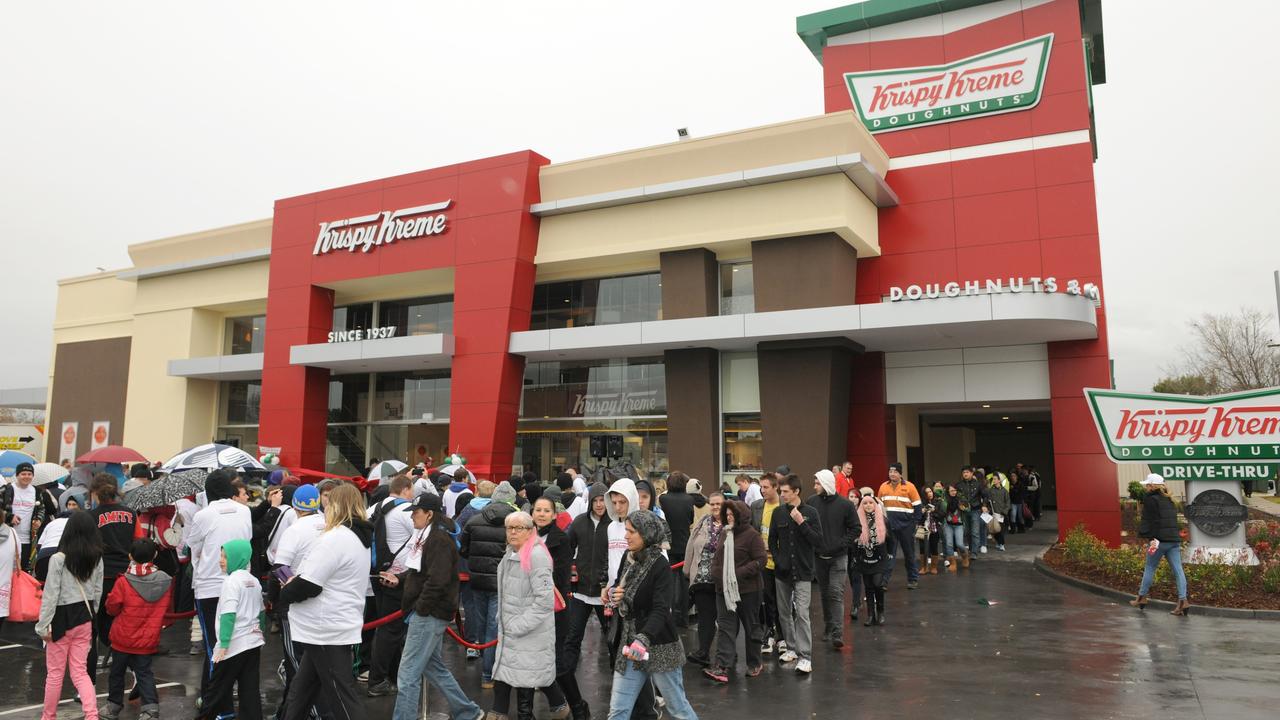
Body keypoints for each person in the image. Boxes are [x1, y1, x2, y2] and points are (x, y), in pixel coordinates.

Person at [279, 483, 373, 720]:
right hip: (333, 623)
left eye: (328, 503)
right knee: (301, 692)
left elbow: (309, 584)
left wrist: (287, 589)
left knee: (342, 697)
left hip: (324, 627)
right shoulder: (357, 537)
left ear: (334, 505)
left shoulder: (336, 538)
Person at [392, 493, 483, 720]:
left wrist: (420, 608)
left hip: (428, 613)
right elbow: (424, 571)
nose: (412, 516)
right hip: (430, 611)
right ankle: (468, 711)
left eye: (416, 512)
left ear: (429, 514)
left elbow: (437, 580)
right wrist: (400, 579)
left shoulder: (438, 539)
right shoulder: (432, 535)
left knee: (408, 673)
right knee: (434, 668)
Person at [605, 510, 699, 720]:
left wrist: (643, 638)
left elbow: (661, 609)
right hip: (629, 647)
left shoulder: (660, 565)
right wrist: (614, 593)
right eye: (626, 531)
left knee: (678, 709)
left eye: (632, 532)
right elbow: (620, 590)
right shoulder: (628, 558)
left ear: (646, 534)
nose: (626, 536)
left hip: (659, 646)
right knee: (618, 711)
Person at [489, 510, 568, 720]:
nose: (513, 532)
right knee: (507, 675)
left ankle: (561, 711)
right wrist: (503, 620)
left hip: (529, 631)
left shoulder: (536, 555)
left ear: (530, 531)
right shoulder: (510, 553)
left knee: (535, 677)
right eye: (509, 528)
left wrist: (518, 625)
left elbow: (544, 601)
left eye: (519, 528)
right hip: (511, 631)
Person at [187, 469, 252, 700]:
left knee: (214, 646)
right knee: (237, 642)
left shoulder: (204, 515)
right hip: (242, 584)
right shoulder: (245, 512)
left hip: (210, 586)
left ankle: (218, 705)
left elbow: (191, 543)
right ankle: (211, 694)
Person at [36, 511, 104, 720]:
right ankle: (91, 715)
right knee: (80, 671)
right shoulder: (97, 557)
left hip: (60, 619)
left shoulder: (58, 559)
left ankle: (49, 716)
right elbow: (98, 592)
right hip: (84, 617)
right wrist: (92, 613)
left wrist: (42, 625)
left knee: (55, 674)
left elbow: (51, 594)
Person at [268, 484, 325, 720]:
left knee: (297, 662)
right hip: (324, 600)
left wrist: (288, 587)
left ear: (295, 507)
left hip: (296, 604)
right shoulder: (328, 524)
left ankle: (314, 712)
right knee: (316, 662)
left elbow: (280, 566)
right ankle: (289, 711)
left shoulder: (295, 529)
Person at [101, 539, 172, 720]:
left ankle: (113, 706)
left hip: (122, 638)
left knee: (116, 673)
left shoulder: (124, 581)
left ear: (130, 556)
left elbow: (112, 608)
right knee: (144, 673)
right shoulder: (164, 581)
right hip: (148, 638)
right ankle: (150, 709)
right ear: (155, 555)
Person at [197, 538, 265, 720]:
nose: (220, 560)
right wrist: (261, 633)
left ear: (237, 558)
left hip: (233, 644)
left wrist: (224, 644)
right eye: (221, 555)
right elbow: (262, 612)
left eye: (225, 557)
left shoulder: (231, 582)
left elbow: (228, 615)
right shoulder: (254, 581)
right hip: (253, 642)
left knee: (216, 689)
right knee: (250, 690)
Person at [461, 479, 519, 688]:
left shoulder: (474, 520)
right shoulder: (515, 524)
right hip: (502, 581)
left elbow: (463, 548)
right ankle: (489, 673)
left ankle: (486, 670)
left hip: (477, 579)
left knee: (482, 621)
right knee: (494, 627)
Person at [534, 496, 587, 720]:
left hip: (554, 608)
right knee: (533, 661)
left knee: (558, 662)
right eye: (538, 510)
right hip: (530, 610)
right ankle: (543, 708)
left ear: (554, 515)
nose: (542, 514)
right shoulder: (526, 536)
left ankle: (577, 705)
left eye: (547, 511)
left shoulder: (561, 539)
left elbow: (560, 576)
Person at [704, 499, 765, 683]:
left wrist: (737, 574)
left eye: (732, 515)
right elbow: (717, 558)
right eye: (727, 514)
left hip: (748, 591)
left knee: (751, 627)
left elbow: (760, 560)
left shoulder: (752, 536)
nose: (729, 518)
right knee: (725, 628)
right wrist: (716, 575)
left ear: (741, 516)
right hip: (723, 590)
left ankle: (754, 663)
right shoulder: (725, 533)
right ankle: (722, 666)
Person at [367, 474, 418, 696]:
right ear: (406, 489)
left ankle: (392, 675)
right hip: (398, 576)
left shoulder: (374, 508)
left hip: (377, 574)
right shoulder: (407, 510)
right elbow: (422, 536)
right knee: (391, 630)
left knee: (389, 628)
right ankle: (377, 680)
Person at [768, 474, 822, 674]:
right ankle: (791, 648)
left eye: (785, 492)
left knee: (802, 614)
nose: (782, 495)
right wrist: (778, 558)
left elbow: (817, 540)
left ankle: (805, 656)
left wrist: (801, 522)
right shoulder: (778, 513)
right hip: (782, 571)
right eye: (781, 492)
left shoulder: (811, 513)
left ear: (796, 491)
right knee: (784, 613)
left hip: (803, 570)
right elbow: (772, 539)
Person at [564, 481, 609, 712]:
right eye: (596, 500)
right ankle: (565, 682)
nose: (600, 505)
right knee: (572, 638)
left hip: (605, 592)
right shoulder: (580, 522)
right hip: (581, 591)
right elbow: (567, 546)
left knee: (612, 639)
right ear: (590, 501)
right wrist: (572, 567)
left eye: (603, 500)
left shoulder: (614, 524)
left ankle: (620, 684)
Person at [87, 472, 137, 672]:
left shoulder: (91, 516)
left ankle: (125, 659)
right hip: (126, 575)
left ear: (95, 493)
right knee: (123, 621)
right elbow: (139, 544)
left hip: (102, 575)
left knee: (99, 625)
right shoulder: (131, 514)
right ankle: (130, 663)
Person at [806, 469, 856, 646]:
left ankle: (837, 633)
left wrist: (842, 544)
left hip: (838, 558)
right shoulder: (811, 503)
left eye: (817, 483)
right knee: (825, 594)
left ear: (826, 483)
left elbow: (855, 529)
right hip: (819, 557)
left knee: (836, 593)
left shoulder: (845, 505)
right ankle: (828, 626)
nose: (814, 486)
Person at [1131, 474, 1190, 616]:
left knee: (1150, 567)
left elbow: (1152, 521)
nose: (1146, 487)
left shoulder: (1151, 500)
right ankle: (1183, 601)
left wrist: (1151, 537)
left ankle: (1142, 597)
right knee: (1178, 571)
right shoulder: (1170, 500)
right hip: (1173, 541)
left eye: (1147, 485)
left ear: (1152, 486)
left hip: (1158, 541)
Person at [682, 492, 724, 666]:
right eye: (712, 504)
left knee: (725, 619)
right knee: (705, 617)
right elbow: (691, 545)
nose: (715, 507)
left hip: (722, 581)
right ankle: (703, 652)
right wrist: (687, 570)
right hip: (701, 579)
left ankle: (727, 653)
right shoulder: (702, 523)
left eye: (718, 504)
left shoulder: (731, 524)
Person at [749, 474, 784, 654]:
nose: (762, 491)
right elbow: (751, 530)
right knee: (767, 598)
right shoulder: (756, 506)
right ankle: (769, 632)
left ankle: (783, 635)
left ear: (775, 487)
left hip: (781, 560)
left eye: (766, 487)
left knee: (783, 600)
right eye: (761, 487)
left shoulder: (784, 506)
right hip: (763, 561)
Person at [1, 462, 57, 571]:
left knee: (22, 570)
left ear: (32, 476)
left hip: (26, 539)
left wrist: (38, 520)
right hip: (6, 536)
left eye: (29, 474)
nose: (26, 476)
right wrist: (9, 517)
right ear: (17, 475)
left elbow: (41, 508)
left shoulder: (36, 492)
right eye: (23, 474)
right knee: (4, 568)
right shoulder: (6, 489)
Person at [658, 471, 695, 629]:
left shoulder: (663, 499)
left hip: (668, 544)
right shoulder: (689, 499)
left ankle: (671, 616)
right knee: (684, 582)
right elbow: (691, 519)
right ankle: (684, 617)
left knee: (671, 582)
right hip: (685, 543)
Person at [877, 463, 921, 589]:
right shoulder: (883, 487)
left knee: (909, 554)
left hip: (906, 527)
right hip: (889, 528)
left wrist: (914, 524)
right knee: (889, 555)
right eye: (890, 471)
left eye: (895, 472)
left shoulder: (910, 487)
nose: (892, 474)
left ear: (900, 473)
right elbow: (878, 506)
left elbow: (918, 506)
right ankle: (884, 582)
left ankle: (913, 580)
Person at [853, 492, 890, 626]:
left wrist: (889, 554)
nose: (868, 505)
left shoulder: (883, 520)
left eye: (870, 503)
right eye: (865, 503)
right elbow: (854, 541)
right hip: (864, 559)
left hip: (879, 559)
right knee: (868, 587)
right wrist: (856, 558)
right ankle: (870, 615)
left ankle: (880, 612)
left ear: (875, 505)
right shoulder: (857, 521)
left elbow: (891, 538)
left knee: (878, 584)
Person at [36, 488, 84, 582]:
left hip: (44, 556)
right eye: (69, 504)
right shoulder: (82, 522)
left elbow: (39, 545)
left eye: (74, 504)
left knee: (45, 588)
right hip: (66, 555)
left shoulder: (53, 523)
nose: (71, 507)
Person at [955, 466, 985, 567]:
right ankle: (971, 549)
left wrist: (984, 505)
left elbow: (985, 495)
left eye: (967, 472)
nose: (965, 474)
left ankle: (974, 552)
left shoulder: (978, 484)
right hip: (964, 511)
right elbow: (955, 496)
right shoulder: (959, 485)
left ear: (972, 473)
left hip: (975, 510)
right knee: (966, 531)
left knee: (975, 532)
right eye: (964, 473)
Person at [921, 484, 944, 573]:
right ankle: (924, 567)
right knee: (922, 547)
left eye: (930, 491)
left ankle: (934, 567)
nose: (929, 494)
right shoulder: (921, 503)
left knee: (934, 546)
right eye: (927, 493)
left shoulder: (938, 501)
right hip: (923, 526)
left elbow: (942, 514)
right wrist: (922, 512)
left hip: (934, 526)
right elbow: (916, 516)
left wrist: (934, 511)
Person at [985, 474, 1010, 552]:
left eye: (995, 479)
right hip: (993, 513)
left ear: (999, 480)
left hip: (1001, 514)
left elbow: (1008, 502)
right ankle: (998, 542)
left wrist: (1005, 511)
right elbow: (986, 501)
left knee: (1000, 530)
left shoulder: (1004, 491)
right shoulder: (990, 490)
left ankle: (1001, 544)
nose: (994, 480)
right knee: (994, 529)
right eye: (993, 479)